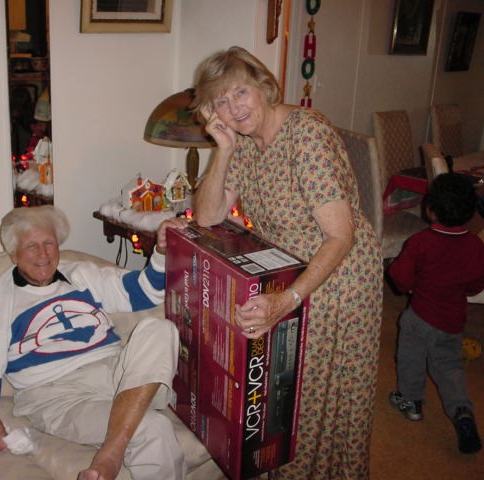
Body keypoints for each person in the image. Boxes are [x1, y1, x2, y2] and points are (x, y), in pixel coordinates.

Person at [191, 46, 383, 479]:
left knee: (307, 394)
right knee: (284, 389)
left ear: (263, 86)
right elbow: (207, 216)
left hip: (337, 275)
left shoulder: (305, 134)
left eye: (240, 92)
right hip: (289, 271)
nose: (234, 108)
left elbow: (341, 236)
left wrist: (288, 300)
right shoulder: (243, 141)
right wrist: (222, 148)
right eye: (221, 101)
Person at [0, 205, 189, 480]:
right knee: (154, 429)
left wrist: (161, 252)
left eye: (49, 243)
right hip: (57, 395)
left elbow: (144, 292)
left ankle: (111, 451)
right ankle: (115, 450)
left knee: (159, 328)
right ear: (13, 255)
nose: (43, 253)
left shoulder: (80, 275)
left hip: (115, 373)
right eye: (31, 246)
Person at [388, 173, 484, 454]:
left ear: (430, 209)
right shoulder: (475, 247)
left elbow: (400, 279)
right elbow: (476, 285)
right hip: (452, 321)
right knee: (450, 366)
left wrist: (397, 272)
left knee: (410, 359)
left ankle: (411, 402)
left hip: (419, 317)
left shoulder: (420, 242)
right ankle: (462, 411)